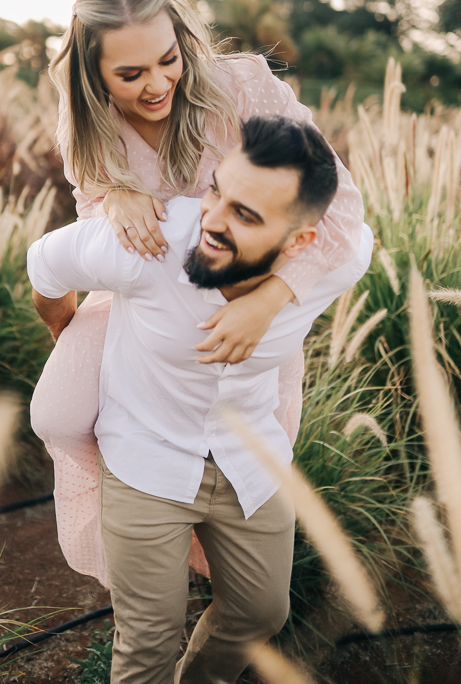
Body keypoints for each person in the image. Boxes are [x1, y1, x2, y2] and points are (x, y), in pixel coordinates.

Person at [31, 0, 364, 584]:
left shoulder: (243, 86)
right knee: (57, 415)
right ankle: (144, 540)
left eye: (168, 60)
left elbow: (339, 206)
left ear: (182, 38)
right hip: (142, 298)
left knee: (233, 438)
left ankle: (212, 555)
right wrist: (113, 199)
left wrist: (269, 300)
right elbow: (95, 224)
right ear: (92, 74)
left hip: (241, 289)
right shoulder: (84, 122)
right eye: (130, 74)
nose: (158, 83)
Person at [28, 116, 373, 684]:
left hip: (251, 461)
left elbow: (358, 242)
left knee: (261, 613)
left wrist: (272, 298)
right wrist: (67, 333)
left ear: (300, 244)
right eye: (217, 191)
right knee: (149, 643)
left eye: (246, 215)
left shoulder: (327, 264)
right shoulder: (148, 243)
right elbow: (44, 263)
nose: (211, 220)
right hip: (145, 460)